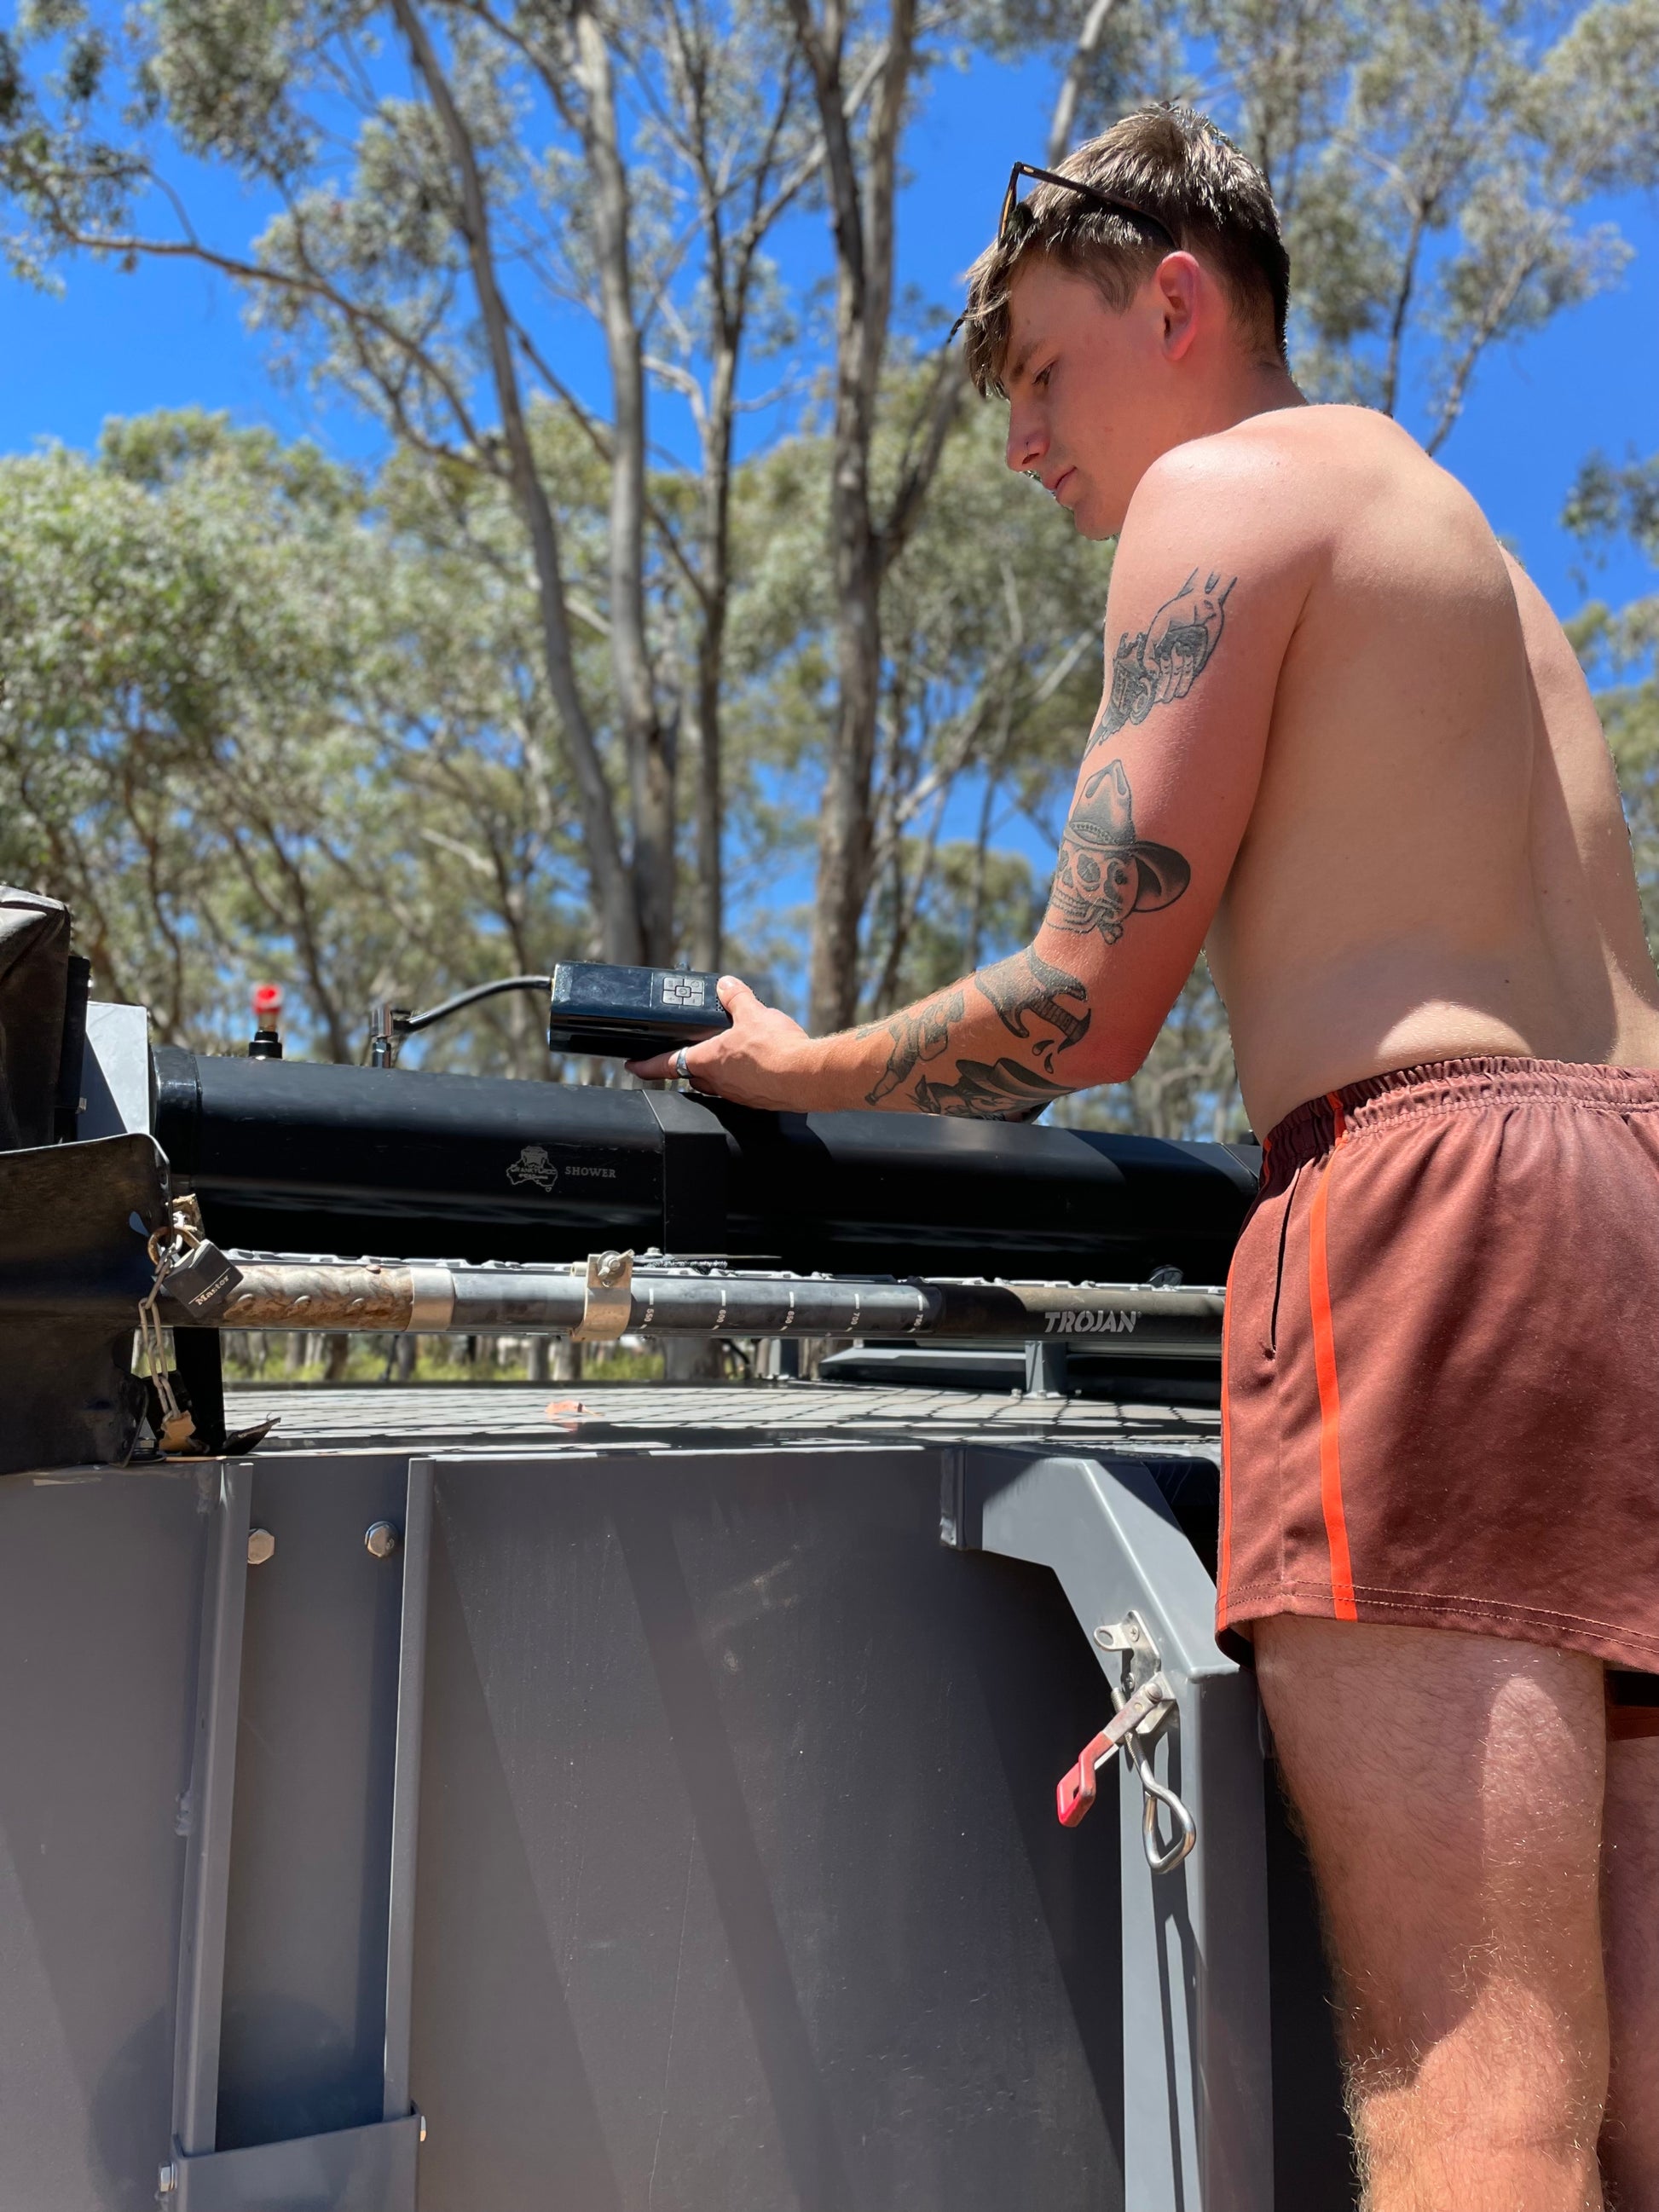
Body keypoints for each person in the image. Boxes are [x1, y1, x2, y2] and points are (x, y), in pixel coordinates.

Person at [628, 101, 1659, 2210]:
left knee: (1473, 2090)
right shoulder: (1487, 571)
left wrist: (798, 1064)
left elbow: (1085, 1002)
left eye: (1039, 370)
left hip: (1437, 1222)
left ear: (1175, 300)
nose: (1024, 442)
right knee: (1633, 2081)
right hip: (1629, 1220)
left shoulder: (1224, 491)